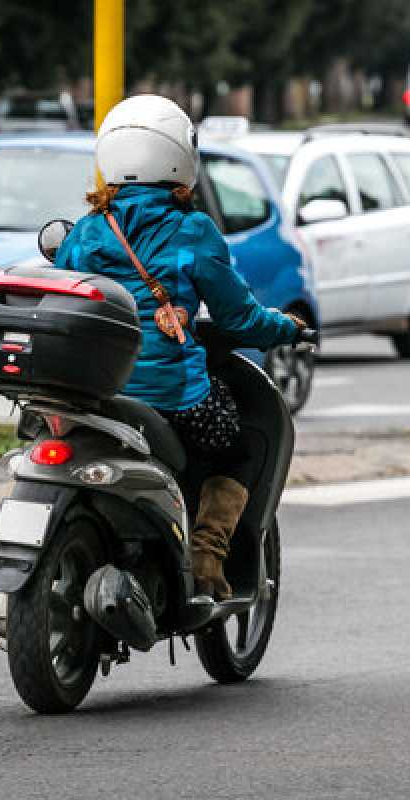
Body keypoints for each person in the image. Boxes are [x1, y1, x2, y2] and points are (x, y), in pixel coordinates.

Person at [54, 94, 304, 600]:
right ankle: (208, 555)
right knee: (241, 448)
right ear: (178, 155)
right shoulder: (192, 231)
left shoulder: (84, 233)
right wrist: (287, 328)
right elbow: (240, 318)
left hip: (95, 395)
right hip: (172, 396)